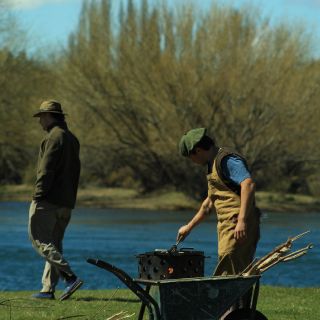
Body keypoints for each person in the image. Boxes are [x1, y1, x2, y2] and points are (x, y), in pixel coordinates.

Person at [177, 128, 260, 310]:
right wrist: (188, 227)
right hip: (226, 225)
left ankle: (229, 312)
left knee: (230, 267)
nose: (192, 161)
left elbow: (248, 184)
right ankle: (235, 313)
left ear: (198, 150)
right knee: (232, 268)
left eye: (190, 157)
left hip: (237, 223)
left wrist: (242, 221)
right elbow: (209, 204)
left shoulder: (227, 160)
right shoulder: (211, 164)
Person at [28, 100, 83, 301]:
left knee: (40, 240)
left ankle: (70, 277)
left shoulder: (54, 137)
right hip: (66, 203)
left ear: (50, 116)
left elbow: (46, 170)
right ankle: (47, 289)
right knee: (54, 244)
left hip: (48, 200)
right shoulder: (72, 138)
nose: (39, 121)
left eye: (41, 116)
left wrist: (38, 194)